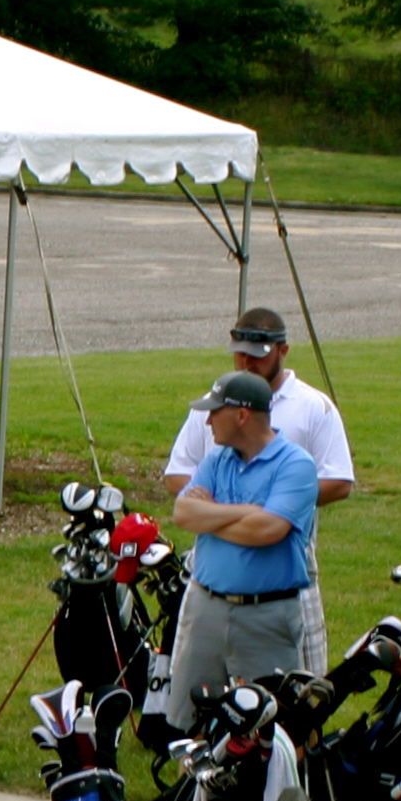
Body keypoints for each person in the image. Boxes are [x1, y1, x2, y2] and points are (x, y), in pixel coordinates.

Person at [161, 308, 354, 674]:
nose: (246, 362)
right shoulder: (217, 402)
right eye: (240, 354)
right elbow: (178, 474)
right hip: (215, 568)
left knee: (299, 681)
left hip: (285, 560)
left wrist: (276, 508)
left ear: (283, 351)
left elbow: (339, 481)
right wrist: (245, 515)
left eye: (257, 355)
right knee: (200, 681)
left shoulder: (313, 407)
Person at [164, 371, 318, 733]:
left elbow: (268, 530)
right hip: (207, 608)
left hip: (266, 616)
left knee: (270, 725)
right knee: (191, 720)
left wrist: (211, 514)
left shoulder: (296, 465)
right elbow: (183, 513)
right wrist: (247, 511)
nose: (208, 421)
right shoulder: (217, 459)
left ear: (242, 415)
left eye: (215, 412)